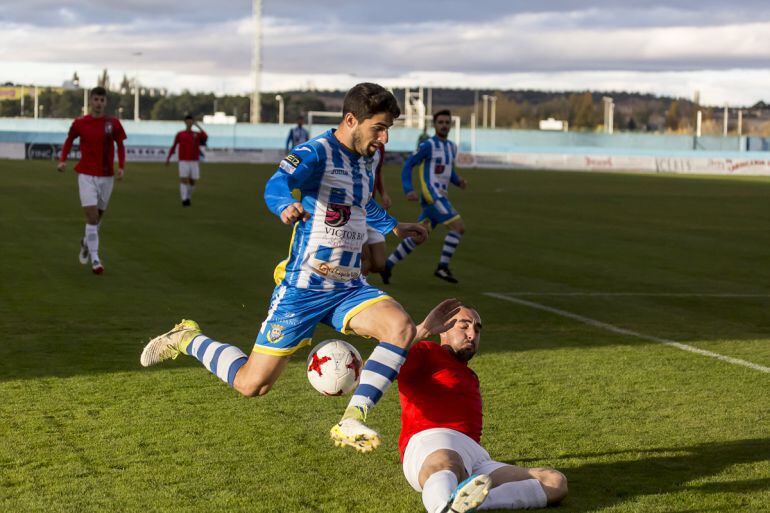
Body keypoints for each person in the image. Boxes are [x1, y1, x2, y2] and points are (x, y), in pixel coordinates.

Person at [140, 83, 428, 453]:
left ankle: (352, 419)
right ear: (351, 120)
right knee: (252, 385)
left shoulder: (368, 158)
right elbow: (277, 183)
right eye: (379, 127)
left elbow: (359, 202)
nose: (384, 137)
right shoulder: (316, 153)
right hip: (304, 287)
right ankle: (186, 338)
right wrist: (283, 206)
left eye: (388, 128)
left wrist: (393, 226)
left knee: (400, 327)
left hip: (348, 286)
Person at [400, 299, 568, 512]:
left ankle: (468, 504)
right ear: (443, 330)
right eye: (464, 326)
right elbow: (384, 362)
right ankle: (444, 508)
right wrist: (423, 330)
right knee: (449, 463)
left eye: (477, 329)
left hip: (476, 456)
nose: (472, 334)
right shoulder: (425, 352)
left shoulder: (469, 375)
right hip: (431, 443)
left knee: (554, 482)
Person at [381, 110, 467, 285]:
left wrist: (458, 182)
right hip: (433, 196)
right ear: (435, 125)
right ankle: (442, 267)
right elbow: (408, 165)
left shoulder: (451, 147)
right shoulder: (428, 145)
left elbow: (448, 171)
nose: (444, 125)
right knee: (458, 227)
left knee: (419, 235)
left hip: (440, 197)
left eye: (447, 122)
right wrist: (408, 189)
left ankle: (388, 265)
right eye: (440, 122)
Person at [57, 86, 127, 275]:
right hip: (86, 175)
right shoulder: (80, 123)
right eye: (96, 100)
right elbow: (69, 140)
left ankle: (86, 243)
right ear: (91, 102)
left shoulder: (113, 124)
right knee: (92, 217)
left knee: (96, 220)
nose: (98, 103)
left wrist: (121, 166)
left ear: (105, 102)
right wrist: (62, 160)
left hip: (107, 177)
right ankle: (95, 259)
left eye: (102, 100)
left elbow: (120, 145)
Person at [361, 146, 392, 275]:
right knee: (365, 263)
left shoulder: (380, 147)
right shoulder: (351, 144)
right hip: (354, 212)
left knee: (379, 264)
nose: (385, 136)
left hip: (371, 210)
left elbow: (377, 171)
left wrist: (383, 193)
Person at [166, 115, 208, 207]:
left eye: (191, 121)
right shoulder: (180, 134)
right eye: (188, 121)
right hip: (183, 160)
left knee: (193, 181)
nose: (189, 122)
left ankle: (188, 197)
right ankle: (184, 200)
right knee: (183, 179)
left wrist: (198, 126)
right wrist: (168, 158)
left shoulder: (196, 134)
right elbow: (174, 146)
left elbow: (205, 136)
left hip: (194, 160)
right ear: (185, 122)